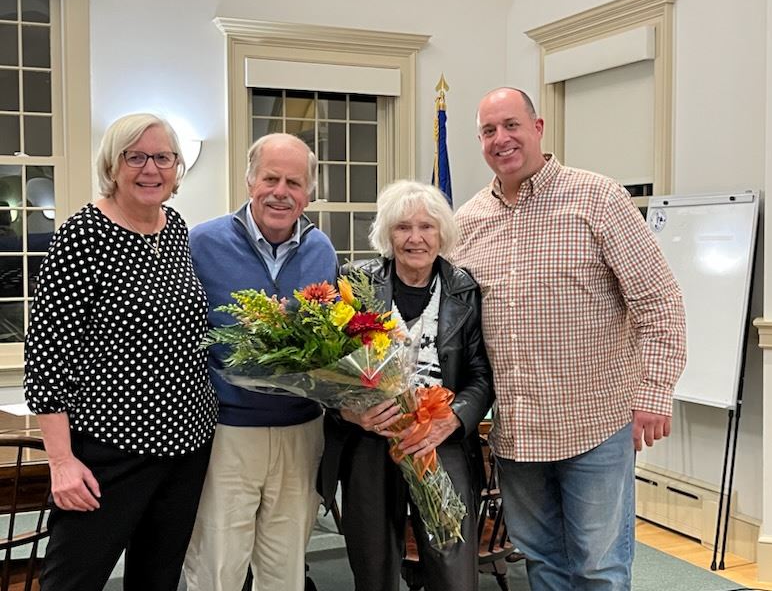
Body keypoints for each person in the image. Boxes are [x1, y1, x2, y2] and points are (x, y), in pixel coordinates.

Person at [452, 88, 687, 591]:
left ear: (537, 129)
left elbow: (660, 302)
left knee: (599, 567)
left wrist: (654, 391)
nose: (501, 139)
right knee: (542, 562)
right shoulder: (467, 222)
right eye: (489, 131)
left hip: (593, 424)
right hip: (516, 430)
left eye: (511, 125)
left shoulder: (599, 199)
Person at [23, 113, 217, 591]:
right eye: (136, 157)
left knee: (157, 578)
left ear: (177, 169)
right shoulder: (82, 236)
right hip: (110, 449)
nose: (150, 169)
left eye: (163, 157)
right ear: (113, 165)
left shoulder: (174, 227)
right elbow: (46, 359)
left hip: (187, 445)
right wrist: (62, 462)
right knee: (73, 580)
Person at [318, 180, 494, 591]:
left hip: (440, 442)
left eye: (427, 227)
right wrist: (350, 411)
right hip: (370, 444)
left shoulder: (464, 289)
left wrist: (452, 419)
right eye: (402, 227)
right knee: (374, 568)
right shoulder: (354, 284)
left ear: (442, 233)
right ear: (387, 233)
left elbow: (481, 375)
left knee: (453, 568)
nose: (415, 238)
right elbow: (326, 371)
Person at [183, 133, 338, 591]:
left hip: (301, 432)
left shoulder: (321, 250)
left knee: (285, 570)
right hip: (227, 433)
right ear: (250, 180)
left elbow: (330, 341)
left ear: (308, 192)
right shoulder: (201, 243)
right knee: (216, 566)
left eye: (294, 181)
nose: (280, 191)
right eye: (270, 178)